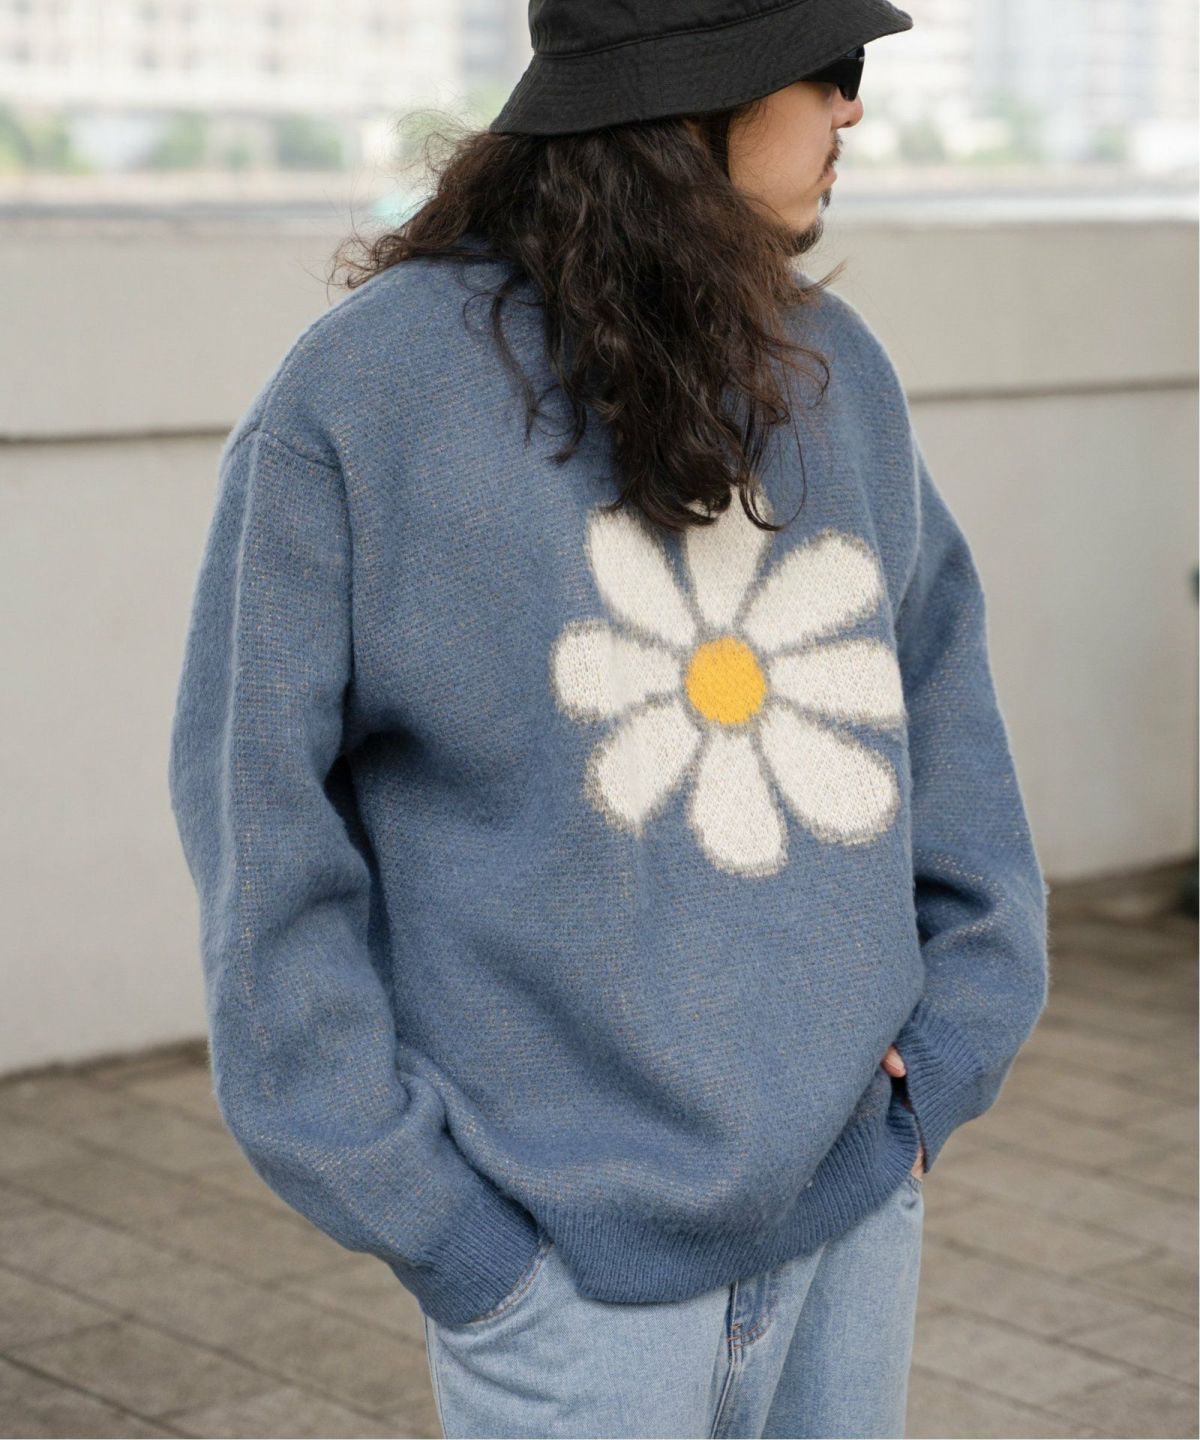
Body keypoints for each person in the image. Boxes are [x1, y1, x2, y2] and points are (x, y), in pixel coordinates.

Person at [166, 2, 1051, 1436]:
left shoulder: (838, 375)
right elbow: (261, 824)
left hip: (851, 1220)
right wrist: (443, 1229)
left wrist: (949, 1048)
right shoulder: (363, 400)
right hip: (563, 1290)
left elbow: (943, 705)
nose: (853, 107)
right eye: (830, 67)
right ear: (693, 91)